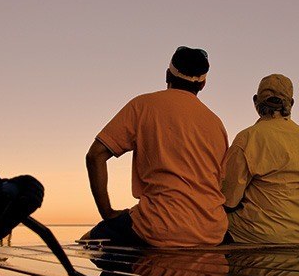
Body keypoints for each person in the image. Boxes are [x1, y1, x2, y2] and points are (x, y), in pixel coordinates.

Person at [83, 46, 228, 247]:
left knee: (88, 243)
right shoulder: (216, 124)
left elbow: (95, 155)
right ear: (203, 84)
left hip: (158, 227)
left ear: (167, 74)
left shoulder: (143, 106)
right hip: (212, 230)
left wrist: (107, 213)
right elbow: (218, 182)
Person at [220, 74, 299, 244]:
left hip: (257, 233)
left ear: (255, 101)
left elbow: (228, 200)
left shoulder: (248, 138)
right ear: (292, 103)